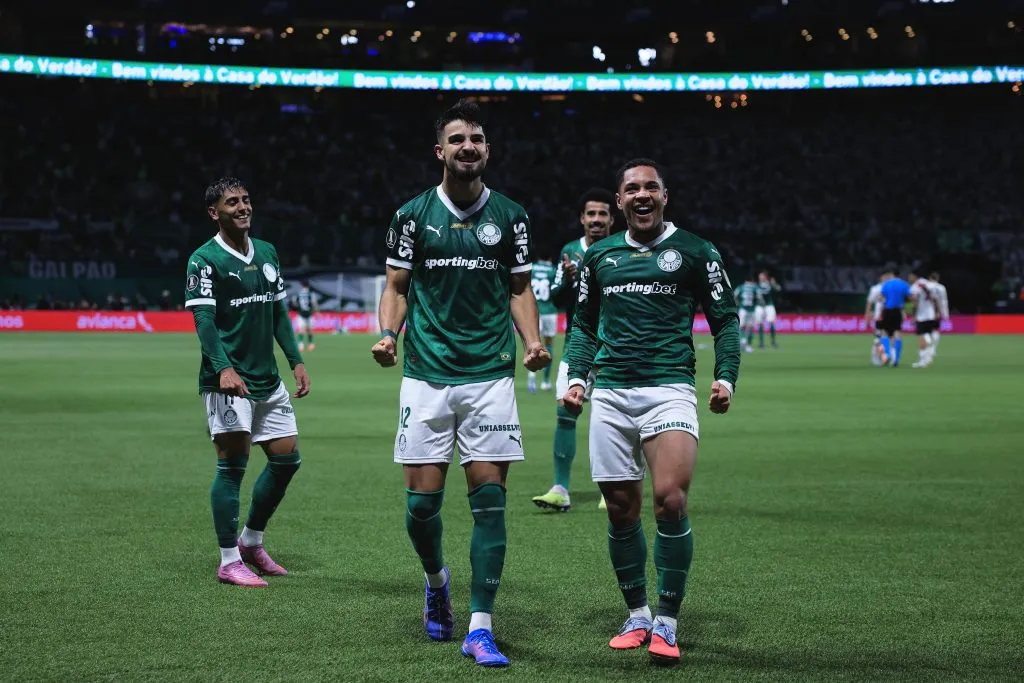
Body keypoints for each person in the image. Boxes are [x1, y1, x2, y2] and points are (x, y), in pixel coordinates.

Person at [371, 99, 551, 668]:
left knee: (490, 505)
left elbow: (520, 287)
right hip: (425, 375)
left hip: (489, 376)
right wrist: (388, 334)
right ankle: (436, 579)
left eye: (476, 138)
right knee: (421, 509)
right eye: (457, 139)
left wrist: (533, 342)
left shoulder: (513, 216)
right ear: (440, 151)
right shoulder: (411, 214)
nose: (467, 146)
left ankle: (480, 626)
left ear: (487, 150)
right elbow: (396, 286)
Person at [562, 159, 740, 665]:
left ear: (666, 195)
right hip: (612, 394)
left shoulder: (696, 252)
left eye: (651, 188)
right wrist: (579, 379)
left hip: (670, 389)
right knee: (621, 512)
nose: (642, 195)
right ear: (619, 202)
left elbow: (725, 322)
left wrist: (725, 377)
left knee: (670, 499)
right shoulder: (601, 257)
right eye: (632, 189)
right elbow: (584, 326)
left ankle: (667, 618)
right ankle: (637, 612)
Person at [184, 177, 311, 588]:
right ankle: (228, 560)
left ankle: (252, 541)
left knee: (286, 460)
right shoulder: (203, 260)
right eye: (231, 202)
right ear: (213, 212)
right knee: (232, 467)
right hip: (228, 381)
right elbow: (203, 320)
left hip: (267, 379)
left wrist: (295, 360)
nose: (242, 207)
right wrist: (223, 368)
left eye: (246, 200)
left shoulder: (268, 253)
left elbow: (278, 314)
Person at [532, 187, 615, 513]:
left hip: (612, 350)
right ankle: (560, 489)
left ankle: (612, 489)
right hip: (577, 346)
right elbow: (554, 298)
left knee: (612, 422)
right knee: (565, 415)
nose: (596, 220)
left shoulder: (623, 249)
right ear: (582, 218)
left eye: (602, 214)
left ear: (612, 218)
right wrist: (568, 281)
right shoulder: (569, 250)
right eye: (590, 214)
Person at [527, 252, 558, 394]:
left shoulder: (532, 268)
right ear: (550, 257)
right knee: (549, 344)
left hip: (534, 311)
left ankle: (531, 375)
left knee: (532, 343)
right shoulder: (553, 269)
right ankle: (545, 382)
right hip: (550, 310)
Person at [877, 267, 912, 366]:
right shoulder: (904, 284)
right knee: (897, 333)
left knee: (884, 332)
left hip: (888, 310)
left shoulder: (886, 284)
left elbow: (881, 297)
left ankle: (887, 354)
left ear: (892, 274)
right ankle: (896, 358)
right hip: (898, 310)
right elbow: (910, 296)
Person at [908, 271, 939, 368]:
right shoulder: (930, 284)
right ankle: (928, 357)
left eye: (910, 276)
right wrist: (937, 311)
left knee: (922, 336)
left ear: (914, 276)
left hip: (922, 316)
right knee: (928, 334)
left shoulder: (915, 287)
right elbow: (936, 299)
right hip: (931, 314)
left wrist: (914, 315)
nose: (909, 278)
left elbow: (915, 302)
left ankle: (922, 361)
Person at [864, 274, 888, 366]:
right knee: (878, 337)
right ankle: (877, 357)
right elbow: (869, 302)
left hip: (890, 315)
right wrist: (867, 316)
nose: (887, 278)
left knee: (886, 337)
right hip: (879, 316)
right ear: (881, 277)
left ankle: (883, 356)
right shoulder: (875, 289)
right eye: (885, 276)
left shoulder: (890, 287)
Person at [734, 276, 761, 353]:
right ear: (752, 281)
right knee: (750, 327)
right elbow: (759, 297)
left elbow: (735, 295)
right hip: (752, 310)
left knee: (741, 326)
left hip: (743, 309)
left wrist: (738, 303)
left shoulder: (741, 287)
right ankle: (748, 346)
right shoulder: (755, 287)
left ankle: (743, 339)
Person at [755, 271, 781, 349]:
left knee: (772, 323)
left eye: (762, 276)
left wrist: (774, 284)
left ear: (765, 277)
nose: (760, 277)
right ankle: (761, 342)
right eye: (760, 276)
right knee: (760, 324)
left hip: (769, 306)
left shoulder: (770, 284)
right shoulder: (757, 285)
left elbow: (778, 289)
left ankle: (773, 342)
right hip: (759, 306)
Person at [293, 280, 318, 352]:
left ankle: (301, 345)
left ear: (302, 285)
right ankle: (310, 344)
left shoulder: (298, 293)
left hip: (301, 314)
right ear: (308, 286)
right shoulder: (311, 294)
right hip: (309, 314)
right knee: (310, 329)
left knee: (301, 329)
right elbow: (314, 303)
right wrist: (317, 312)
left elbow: (294, 302)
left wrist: (297, 306)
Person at [930, 271, 949, 356]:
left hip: (927, 312)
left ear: (930, 278)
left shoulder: (927, 286)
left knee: (927, 330)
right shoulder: (942, 288)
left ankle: (928, 348)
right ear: (937, 279)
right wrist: (945, 314)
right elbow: (944, 301)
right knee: (935, 330)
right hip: (937, 312)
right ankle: (933, 349)